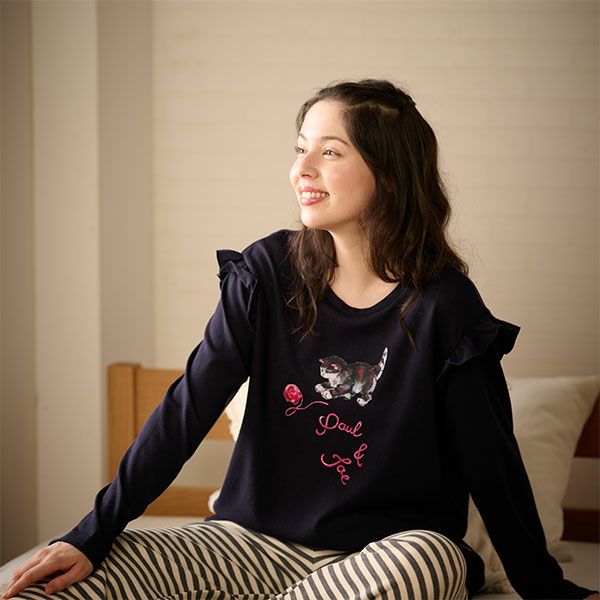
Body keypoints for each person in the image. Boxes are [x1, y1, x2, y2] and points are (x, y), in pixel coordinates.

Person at [3, 79, 598, 600]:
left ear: (391, 175)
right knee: (67, 578)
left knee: (430, 559)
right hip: (249, 546)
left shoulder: (445, 306)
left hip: (390, 559)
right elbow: (187, 409)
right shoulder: (266, 273)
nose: (302, 169)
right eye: (300, 148)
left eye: (329, 151)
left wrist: (546, 589)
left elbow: (492, 460)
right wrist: (92, 534)